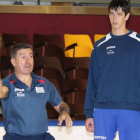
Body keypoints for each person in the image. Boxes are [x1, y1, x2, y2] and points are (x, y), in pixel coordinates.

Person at [85, 0, 140, 140]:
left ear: (127, 16)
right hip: (102, 110)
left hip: (132, 109)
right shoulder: (99, 46)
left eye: (119, 14)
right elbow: (92, 81)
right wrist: (89, 113)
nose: (115, 18)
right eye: (112, 13)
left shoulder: (138, 43)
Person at [0, 43, 73, 140]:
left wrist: (64, 111)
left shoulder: (43, 83)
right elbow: (1, 92)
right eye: (23, 57)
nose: (28, 61)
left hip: (42, 137)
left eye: (30, 56)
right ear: (13, 62)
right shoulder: (7, 83)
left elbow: (60, 104)